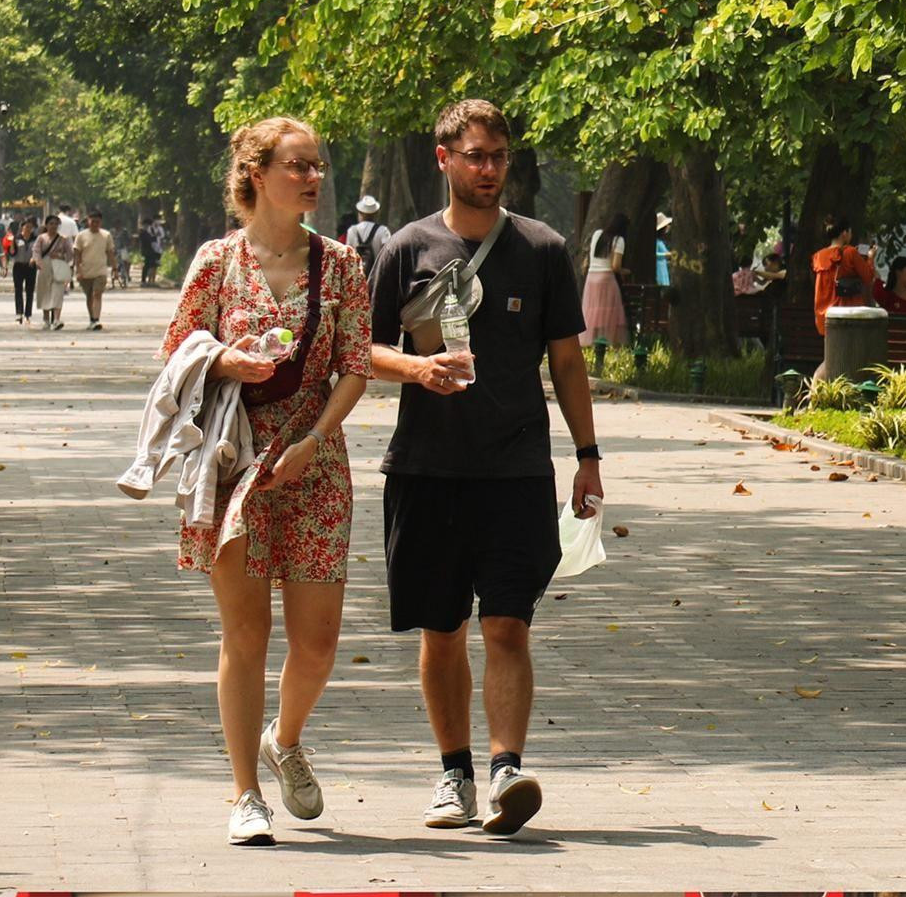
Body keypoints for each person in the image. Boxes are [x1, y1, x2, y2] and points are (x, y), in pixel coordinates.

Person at [368, 95, 601, 838]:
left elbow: (566, 360)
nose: (489, 169)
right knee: (441, 629)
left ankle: (507, 769)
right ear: (444, 159)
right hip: (426, 469)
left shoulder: (540, 248)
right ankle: (453, 773)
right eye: (475, 155)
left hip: (516, 468)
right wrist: (417, 369)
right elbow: (362, 352)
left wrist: (588, 458)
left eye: (499, 156)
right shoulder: (405, 248)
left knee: (507, 623)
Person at [162, 116, 374, 846]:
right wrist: (226, 362)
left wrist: (317, 440)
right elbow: (177, 352)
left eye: (317, 165)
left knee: (316, 643)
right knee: (245, 634)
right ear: (256, 174)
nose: (312, 178)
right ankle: (244, 795)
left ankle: (284, 739)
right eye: (297, 166)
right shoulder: (217, 263)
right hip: (233, 463)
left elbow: (356, 365)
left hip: (313, 462)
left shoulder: (340, 263)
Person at [810, 217, 876, 336]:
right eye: (850, 232)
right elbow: (868, 277)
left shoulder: (818, 256)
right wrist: (870, 258)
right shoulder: (850, 252)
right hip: (849, 315)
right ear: (844, 233)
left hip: (826, 317)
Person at [582, 210, 630, 348]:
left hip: (591, 278)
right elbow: (615, 266)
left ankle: (591, 343)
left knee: (593, 311)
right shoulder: (619, 240)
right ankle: (610, 345)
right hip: (606, 278)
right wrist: (625, 271)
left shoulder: (597, 234)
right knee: (610, 311)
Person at [73, 209, 115, 330]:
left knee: (97, 294)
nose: (95, 224)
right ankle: (92, 318)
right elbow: (77, 254)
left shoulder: (106, 235)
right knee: (89, 296)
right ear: (88, 221)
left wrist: (114, 268)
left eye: (97, 221)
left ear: (100, 222)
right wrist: (78, 270)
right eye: (92, 221)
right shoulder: (81, 236)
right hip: (86, 271)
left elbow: (110, 252)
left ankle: (96, 319)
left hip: (100, 271)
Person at [345, 193, 392, 291]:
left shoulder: (352, 230)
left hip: (356, 277)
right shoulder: (383, 230)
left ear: (360, 213)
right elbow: (388, 253)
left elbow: (347, 254)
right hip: (377, 277)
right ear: (375, 214)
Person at [35, 213, 72, 329]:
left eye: (56, 224)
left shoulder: (63, 239)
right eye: (51, 224)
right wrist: (39, 262)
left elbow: (70, 254)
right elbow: (36, 252)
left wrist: (61, 256)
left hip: (58, 267)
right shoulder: (41, 238)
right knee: (44, 292)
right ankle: (46, 320)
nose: (53, 226)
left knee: (57, 293)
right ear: (46, 225)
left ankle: (56, 319)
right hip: (44, 267)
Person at [11, 215, 38, 325]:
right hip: (18, 266)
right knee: (18, 290)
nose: (28, 229)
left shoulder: (35, 239)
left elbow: (38, 252)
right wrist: (12, 245)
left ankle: (27, 314)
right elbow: (12, 253)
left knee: (30, 291)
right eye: (26, 227)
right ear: (22, 227)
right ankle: (19, 313)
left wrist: (34, 259)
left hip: (30, 267)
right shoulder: (16, 238)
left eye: (30, 227)